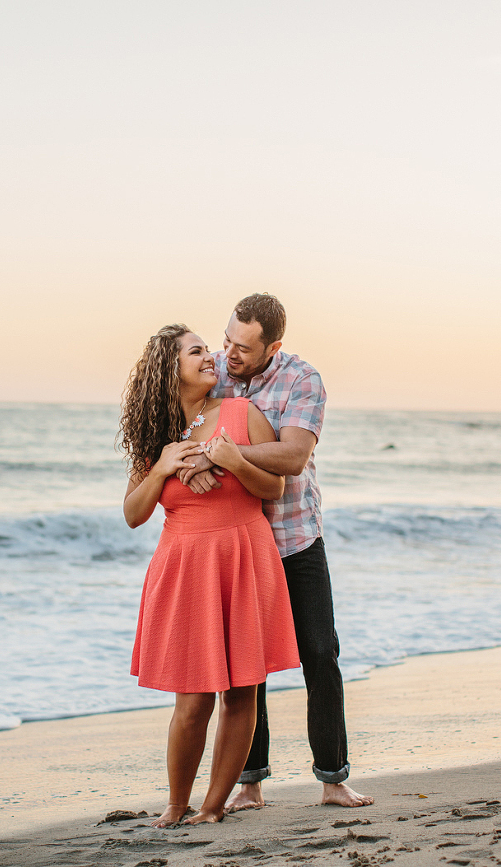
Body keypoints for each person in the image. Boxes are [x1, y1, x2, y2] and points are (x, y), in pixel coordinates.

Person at [178, 293, 373, 811]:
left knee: (319, 654)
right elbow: (181, 422)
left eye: (242, 347)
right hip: (237, 543)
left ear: (274, 345)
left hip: (293, 539)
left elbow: (292, 454)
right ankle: (250, 783)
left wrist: (226, 455)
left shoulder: (302, 380)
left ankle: (333, 778)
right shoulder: (215, 370)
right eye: (226, 341)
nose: (229, 354)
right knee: (246, 668)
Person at [120, 323, 301, 826]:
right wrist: (162, 467)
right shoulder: (154, 435)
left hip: (243, 557)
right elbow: (134, 514)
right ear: (169, 369)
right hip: (184, 566)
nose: (211, 357)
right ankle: (176, 804)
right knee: (192, 695)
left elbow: (276, 489)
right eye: (196, 352)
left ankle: (214, 806)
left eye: (208, 349)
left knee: (242, 691)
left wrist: (232, 459)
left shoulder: (243, 415)